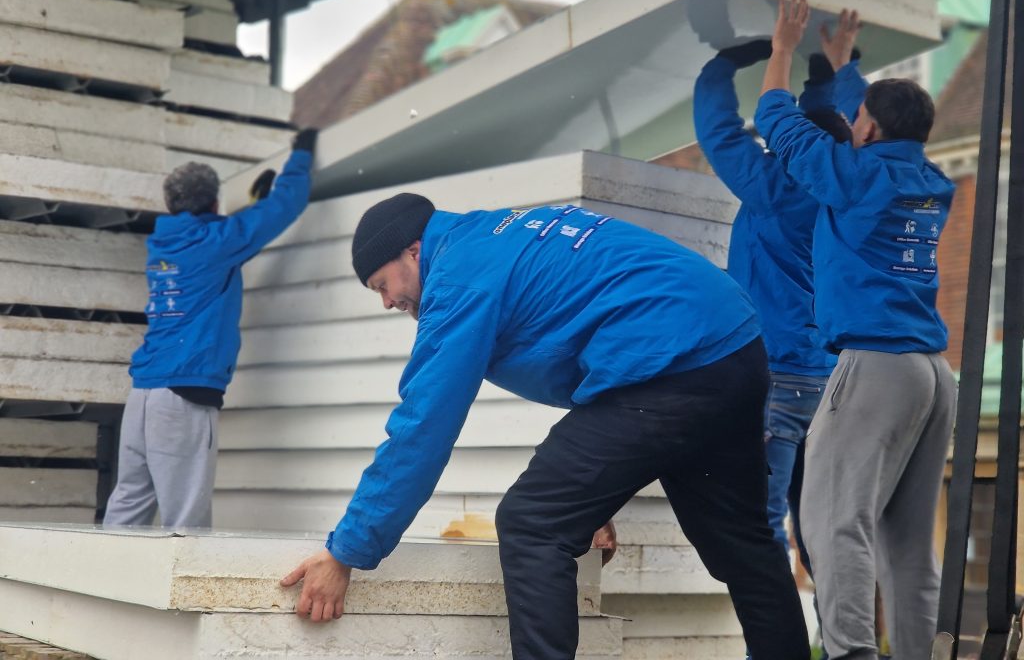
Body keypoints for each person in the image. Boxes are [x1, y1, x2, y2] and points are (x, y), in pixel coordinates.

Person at [281, 193, 810, 659]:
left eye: (383, 284)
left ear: (413, 252)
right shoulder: (499, 235)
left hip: (668, 364)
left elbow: (422, 427)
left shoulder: (459, 277)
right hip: (733, 349)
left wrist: (347, 551)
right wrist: (594, 498)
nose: (388, 301)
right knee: (744, 544)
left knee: (532, 523)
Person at [755, 0, 957, 660]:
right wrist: (844, 67)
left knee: (832, 520)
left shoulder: (849, 173)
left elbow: (776, 123)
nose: (852, 121)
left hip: (873, 368)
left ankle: (851, 655)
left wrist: (784, 48)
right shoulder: (928, 177)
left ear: (864, 131)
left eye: (857, 116)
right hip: (932, 373)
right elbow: (880, 119)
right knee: (904, 539)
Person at [694, 34, 865, 564]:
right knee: (824, 526)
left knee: (761, 525)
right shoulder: (858, 191)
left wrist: (722, 66)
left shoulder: (774, 187)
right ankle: (842, 644)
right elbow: (831, 129)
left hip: (773, 377)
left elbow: (720, 134)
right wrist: (829, 74)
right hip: (833, 381)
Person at [103, 131, 315, 528]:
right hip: (183, 396)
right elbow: (286, 205)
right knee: (186, 524)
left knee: (127, 510)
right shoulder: (219, 242)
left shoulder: (165, 246)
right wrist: (302, 153)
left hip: (143, 394)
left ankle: (96, 581)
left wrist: (249, 210)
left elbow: (221, 245)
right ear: (216, 202)